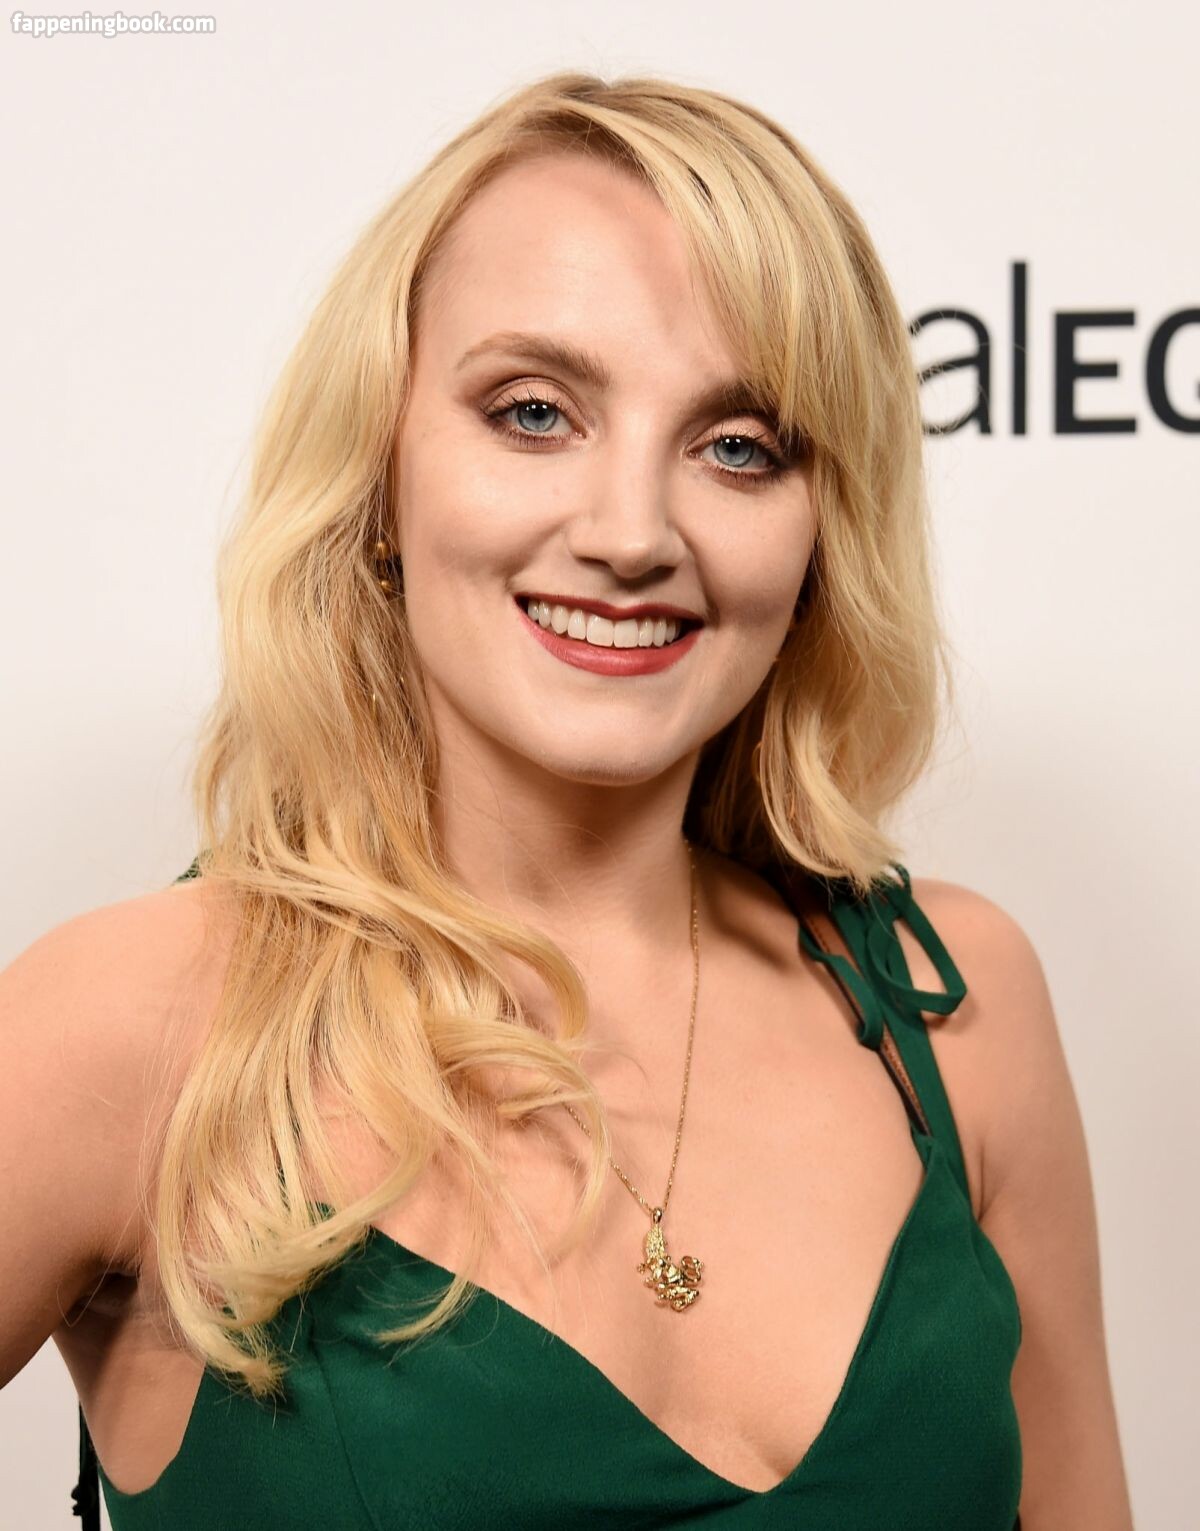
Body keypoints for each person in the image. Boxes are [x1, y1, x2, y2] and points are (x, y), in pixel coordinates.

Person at [1, 70, 1133, 1531]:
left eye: (739, 446)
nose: (632, 533)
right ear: (383, 470)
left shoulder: (960, 1012)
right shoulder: (139, 1023)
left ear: (819, 530)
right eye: (534, 413)